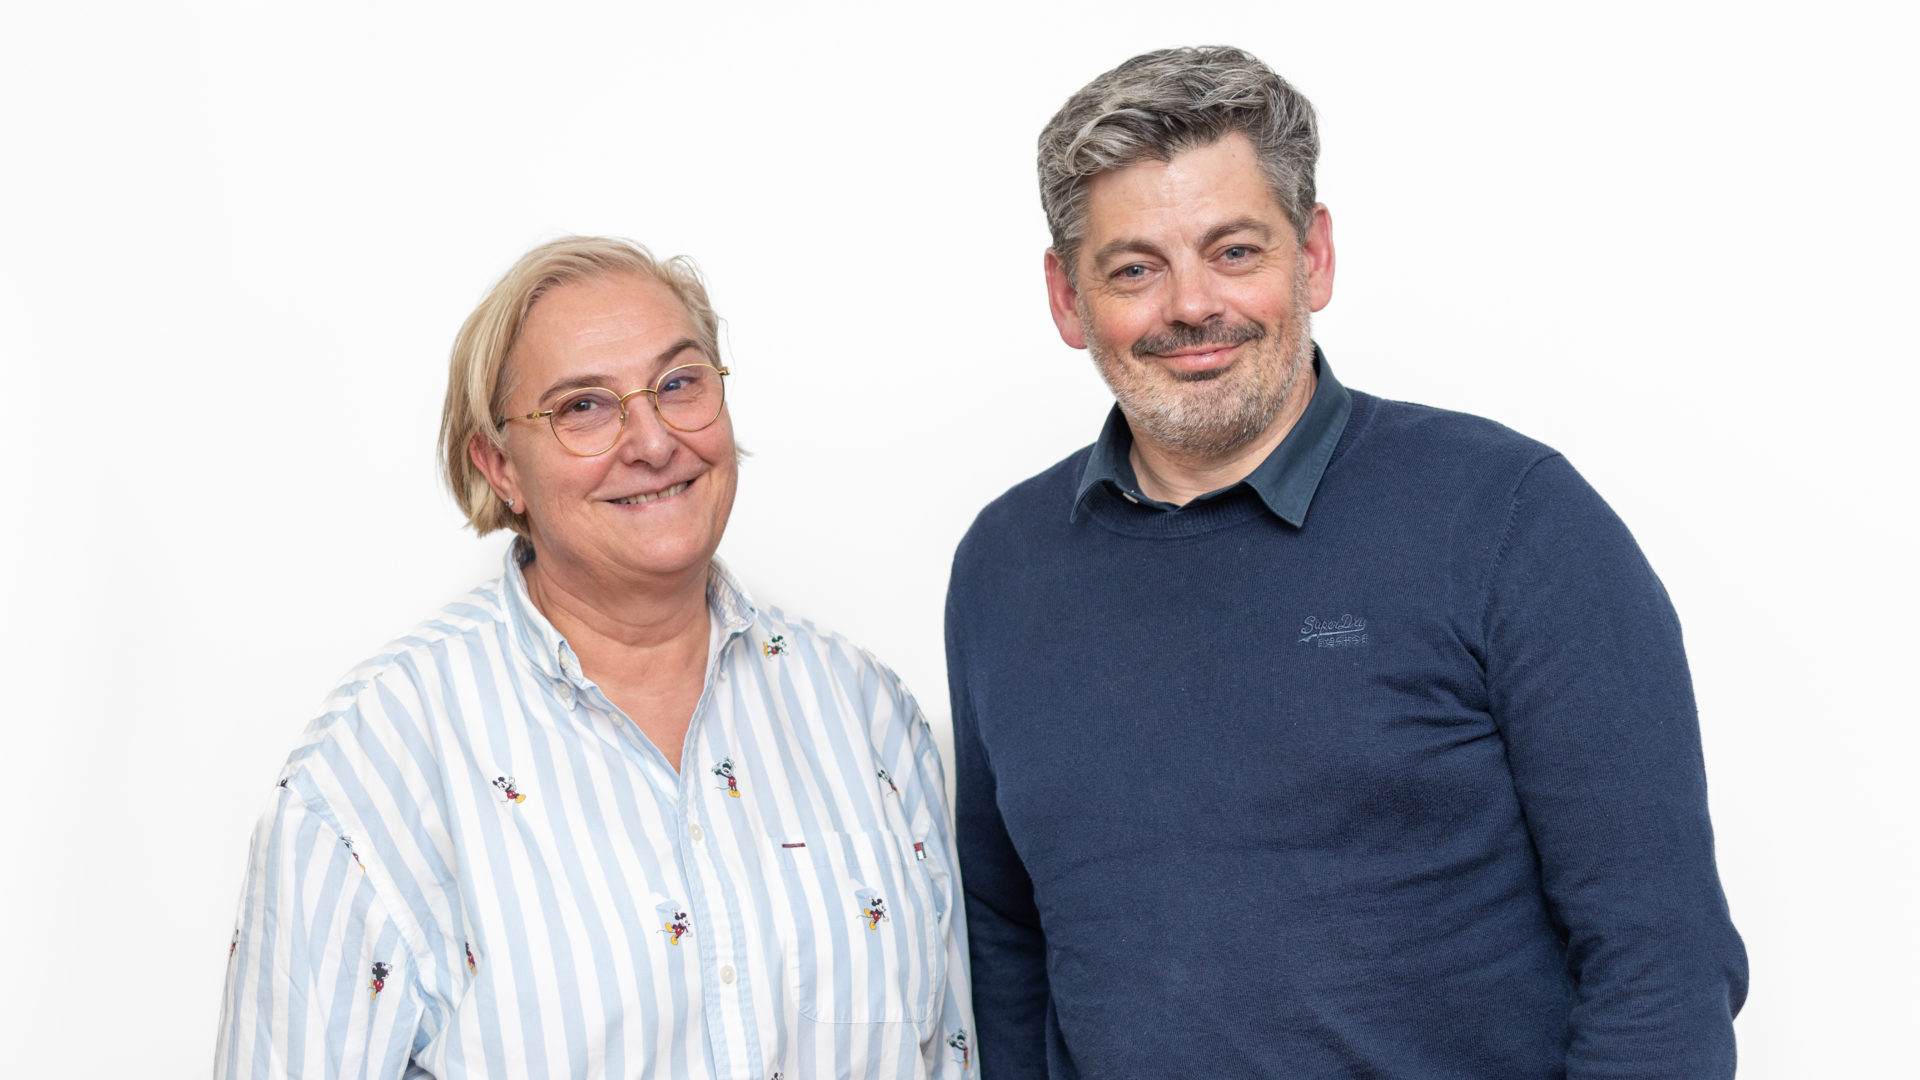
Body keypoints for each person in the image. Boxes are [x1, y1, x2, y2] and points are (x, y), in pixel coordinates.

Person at [946, 46, 1746, 1079]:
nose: (1191, 306)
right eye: (1135, 267)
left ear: (1313, 257)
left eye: (1234, 251)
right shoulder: (1003, 567)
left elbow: (1661, 966)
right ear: (1067, 297)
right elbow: (1009, 944)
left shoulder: (1512, 520)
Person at [216, 237, 972, 1079]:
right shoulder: (372, 769)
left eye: (679, 384)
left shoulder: (867, 718)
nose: (651, 441)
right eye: (583, 406)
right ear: (500, 466)